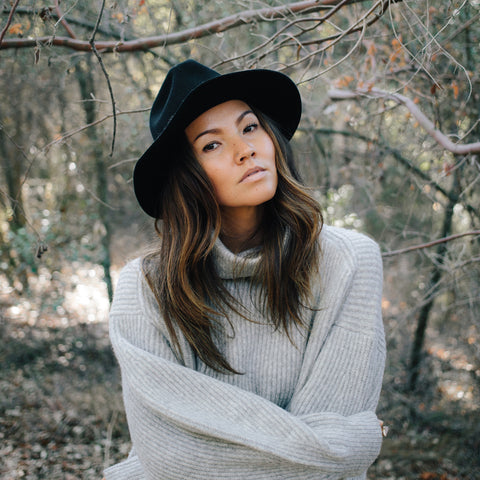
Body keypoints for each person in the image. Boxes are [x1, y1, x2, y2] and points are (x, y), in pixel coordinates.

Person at [104, 59, 386, 480]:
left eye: (250, 127)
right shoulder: (146, 288)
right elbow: (172, 455)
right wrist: (354, 441)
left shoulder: (349, 262)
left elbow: (322, 463)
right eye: (211, 145)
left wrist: (330, 450)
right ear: (185, 176)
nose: (245, 150)